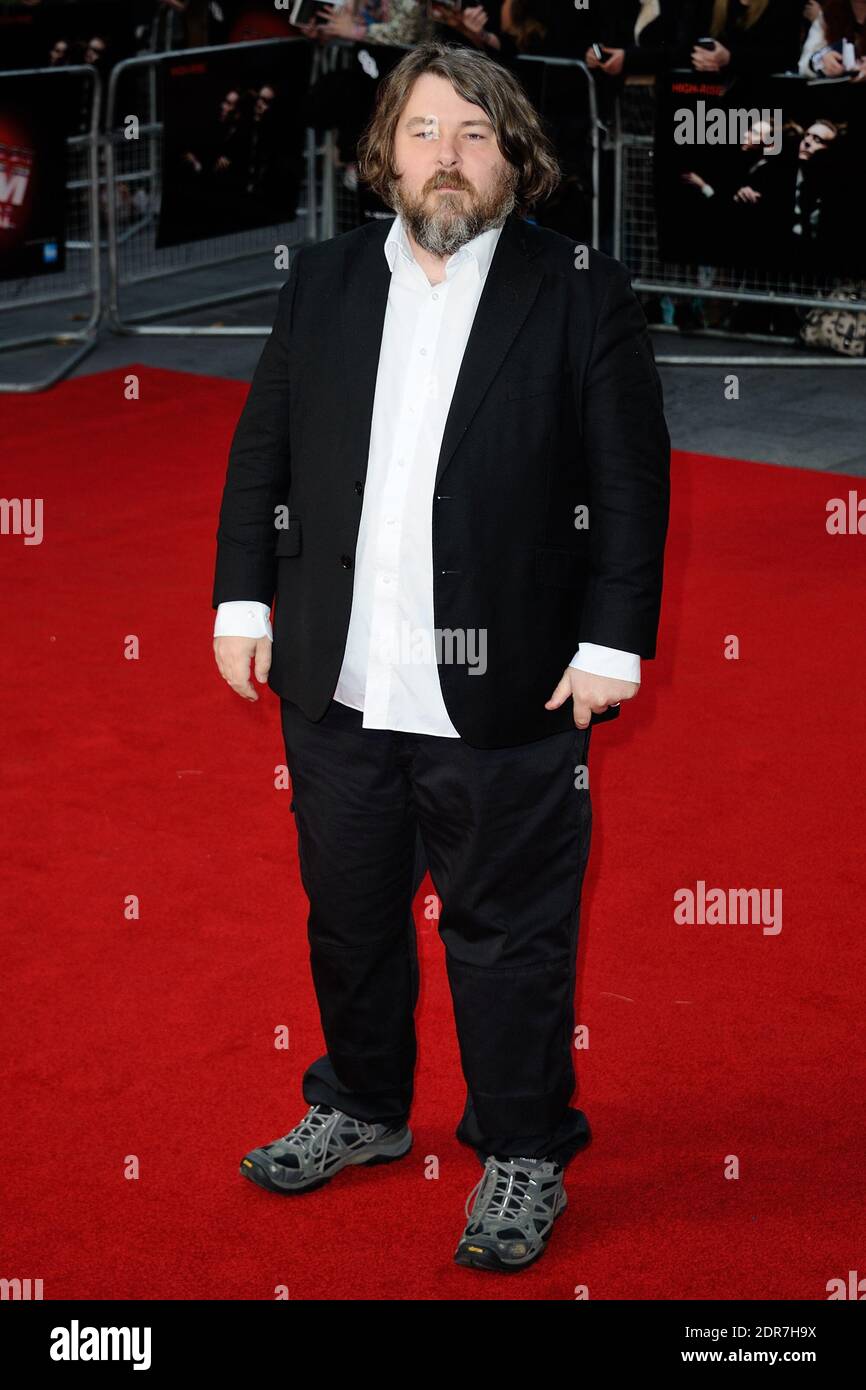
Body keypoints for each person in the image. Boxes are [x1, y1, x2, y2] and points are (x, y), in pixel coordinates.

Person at [212, 39, 670, 1273]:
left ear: (514, 158)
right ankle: (360, 1106)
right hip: (339, 675)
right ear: (383, 155)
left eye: (474, 133)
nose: (447, 156)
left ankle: (521, 1145)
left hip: (514, 682)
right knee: (349, 918)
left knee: (509, 930)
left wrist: (612, 637)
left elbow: (629, 488)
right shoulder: (320, 281)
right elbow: (265, 452)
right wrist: (239, 606)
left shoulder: (577, 288)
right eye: (422, 131)